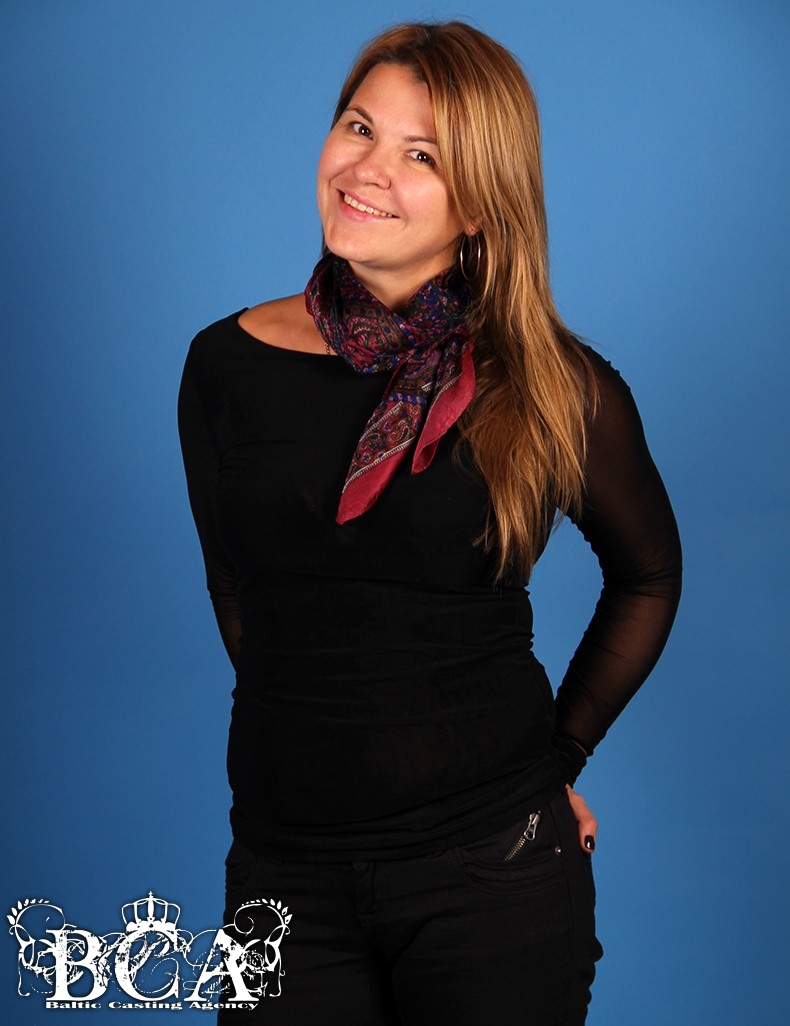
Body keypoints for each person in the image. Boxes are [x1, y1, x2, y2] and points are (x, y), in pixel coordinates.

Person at [178, 20, 682, 1025]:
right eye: (359, 127)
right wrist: (335, 736)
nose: (368, 169)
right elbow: (239, 586)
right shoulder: (223, 365)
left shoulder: (555, 386)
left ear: (481, 203)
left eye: (423, 155)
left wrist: (556, 762)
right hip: (280, 876)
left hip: (494, 870)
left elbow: (648, 577)